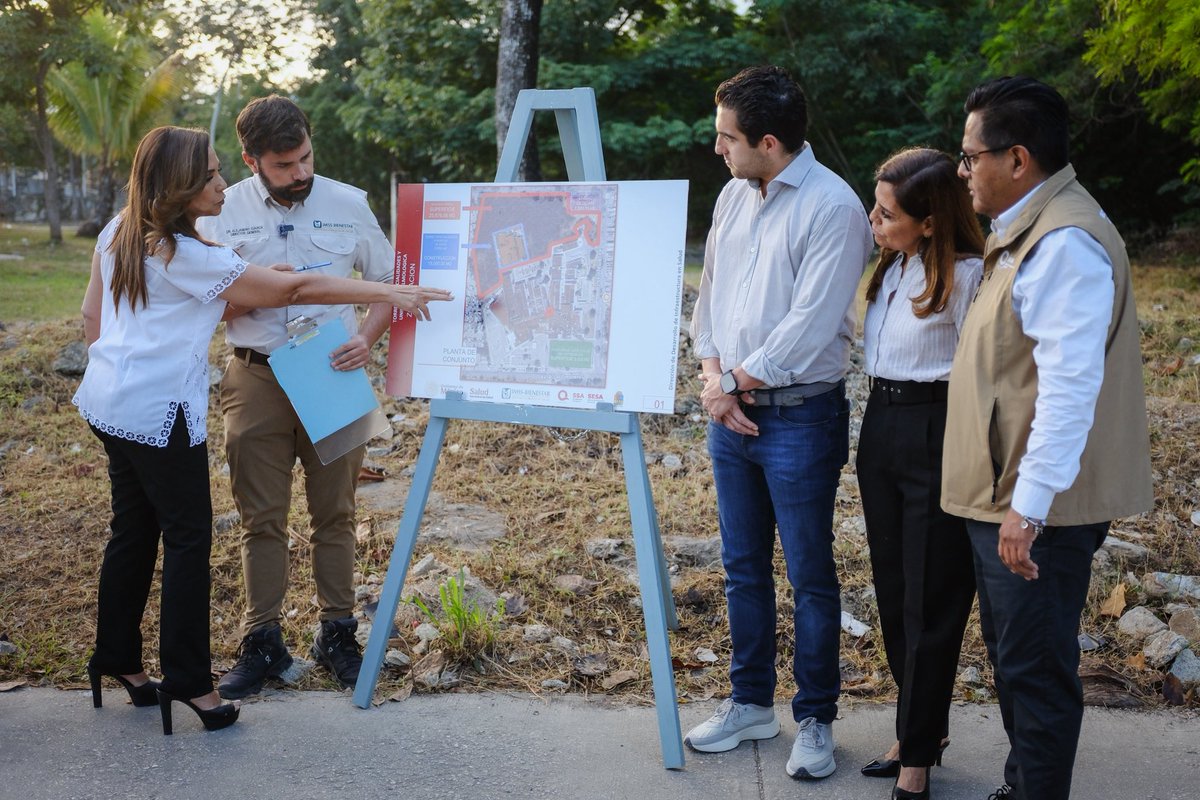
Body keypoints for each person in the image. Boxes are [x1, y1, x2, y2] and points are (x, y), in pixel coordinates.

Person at [74, 126, 450, 734]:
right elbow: (295, 287)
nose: (222, 184)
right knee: (189, 540)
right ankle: (193, 686)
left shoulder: (120, 230)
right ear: (180, 188)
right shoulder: (188, 252)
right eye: (210, 176)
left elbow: (94, 318)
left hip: (109, 402)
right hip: (162, 413)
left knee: (133, 532)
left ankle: (117, 661)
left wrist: (128, 368)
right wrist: (389, 291)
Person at [942, 77, 1153, 800]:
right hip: (1013, 498)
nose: (963, 169)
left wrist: (1027, 510)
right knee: (1017, 657)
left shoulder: (1064, 243)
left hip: (1037, 509)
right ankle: (1024, 784)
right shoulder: (1031, 228)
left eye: (971, 156)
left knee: (1034, 669)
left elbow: (1069, 392)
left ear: (1018, 158)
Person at [686, 65, 872, 780]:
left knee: (810, 574)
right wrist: (714, 379)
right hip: (728, 412)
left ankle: (817, 717)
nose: (717, 149)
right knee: (741, 569)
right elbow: (711, 294)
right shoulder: (735, 195)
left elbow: (810, 327)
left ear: (769, 141)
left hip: (799, 417)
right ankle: (750, 704)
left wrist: (731, 381)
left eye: (726, 138)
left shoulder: (833, 207)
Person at [195, 96, 398, 698]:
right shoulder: (220, 214)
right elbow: (203, 303)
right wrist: (271, 291)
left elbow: (384, 285)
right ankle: (262, 641)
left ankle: (338, 632)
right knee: (262, 519)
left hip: (334, 372)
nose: (300, 173)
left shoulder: (348, 202)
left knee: (336, 513)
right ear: (251, 160)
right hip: (256, 377)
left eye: (305, 157)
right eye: (283, 166)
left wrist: (366, 338)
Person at [857, 148, 984, 800]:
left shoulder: (968, 278)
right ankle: (918, 731)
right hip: (880, 426)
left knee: (931, 598)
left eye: (886, 213)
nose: (872, 221)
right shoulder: (896, 265)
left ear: (930, 220)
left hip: (937, 431)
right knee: (892, 589)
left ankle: (917, 759)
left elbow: (984, 378)